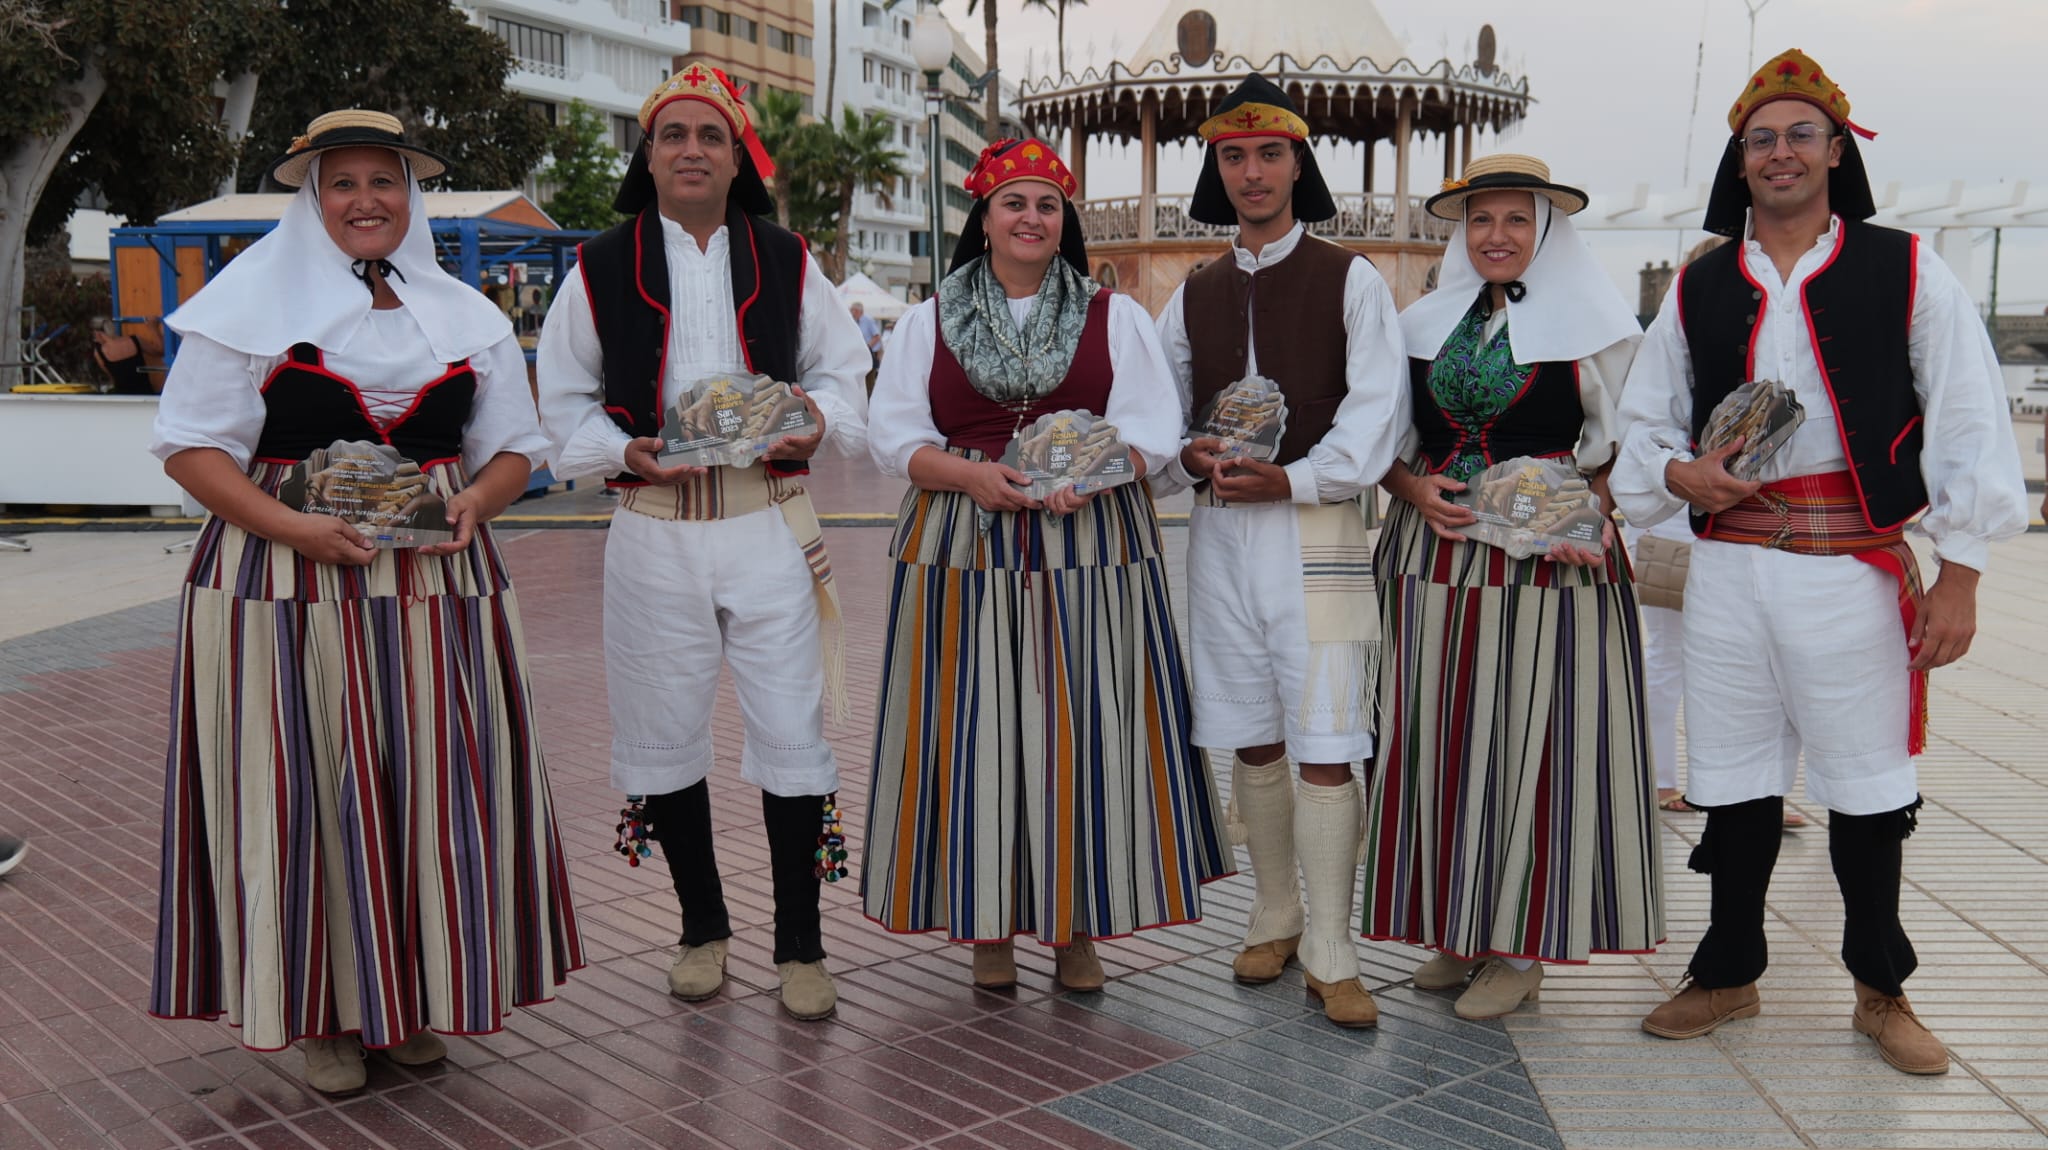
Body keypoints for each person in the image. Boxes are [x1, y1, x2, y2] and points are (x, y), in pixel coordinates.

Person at [147, 110, 583, 1095]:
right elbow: (190, 447)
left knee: (428, 789)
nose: (364, 201)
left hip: (434, 585)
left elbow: (515, 447)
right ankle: (322, 1013)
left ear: (409, 195)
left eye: (382, 181)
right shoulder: (248, 301)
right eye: (341, 183)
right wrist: (292, 527)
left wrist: (477, 496)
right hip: (284, 582)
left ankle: (407, 995)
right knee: (303, 791)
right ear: (313, 196)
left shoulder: (461, 312)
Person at [1614, 49, 2028, 1075]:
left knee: (1864, 787)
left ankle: (1879, 989)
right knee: (1736, 781)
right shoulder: (1700, 281)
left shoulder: (1904, 266)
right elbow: (1639, 423)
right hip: (1729, 570)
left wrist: (1963, 572)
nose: (1780, 152)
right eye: (1761, 137)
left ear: (1836, 151)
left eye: (1801, 133)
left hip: (1850, 568)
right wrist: (1679, 472)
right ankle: (1726, 968)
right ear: (1738, 160)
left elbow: (1970, 419)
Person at [536, 65, 870, 1022]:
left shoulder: (788, 258)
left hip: (769, 522)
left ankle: (801, 946)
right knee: (661, 732)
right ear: (648, 155)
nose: (690, 150)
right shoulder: (598, 267)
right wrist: (624, 447)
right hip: (652, 532)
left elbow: (848, 380)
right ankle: (701, 928)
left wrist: (812, 420)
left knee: (792, 734)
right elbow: (558, 407)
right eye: (672, 135)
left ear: (736, 157)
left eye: (709, 136)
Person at [862, 137, 1230, 991]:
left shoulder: (1115, 316)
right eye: (1013, 203)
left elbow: (1149, 431)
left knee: (1086, 730)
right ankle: (988, 924)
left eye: (1047, 206)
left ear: (1064, 223)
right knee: (971, 730)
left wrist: (1092, 475)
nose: (1031, 219)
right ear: (984, 220)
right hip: (961, 536)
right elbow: (895, 437)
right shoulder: (929, 318)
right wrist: (971, 477)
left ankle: (1076, 926)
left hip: (1091, 539)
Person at [1361, 153, 1663, 1021]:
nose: (1496, 236)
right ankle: (1458, 926)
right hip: (1433, 560)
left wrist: (1588, 519)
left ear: (1545, 231)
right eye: (1480, 220)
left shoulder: (1599, 330)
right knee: (1442, 742)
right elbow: (1386, 439)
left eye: (1515, 220)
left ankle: (1522, 942)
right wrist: (1414, 491)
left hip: (1546, 568)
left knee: (1533, 746)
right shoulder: (1422, 321)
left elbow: (1625, 451)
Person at [1151, 75, 1408, 1028]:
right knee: (1250, 729)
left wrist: (1293, 480)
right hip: (1222, 543)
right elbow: (1163, 415)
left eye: (1269, 153)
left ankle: (1335, 948)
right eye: (1233, 155)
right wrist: (1188, 454)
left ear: (1300, 162)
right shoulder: (1198, 292)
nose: (1252, 172)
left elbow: (1378, 419)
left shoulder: (1353, 278)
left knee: (1328, 741)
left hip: (1318, 535)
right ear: (1216, 167)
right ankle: (1274, 912)